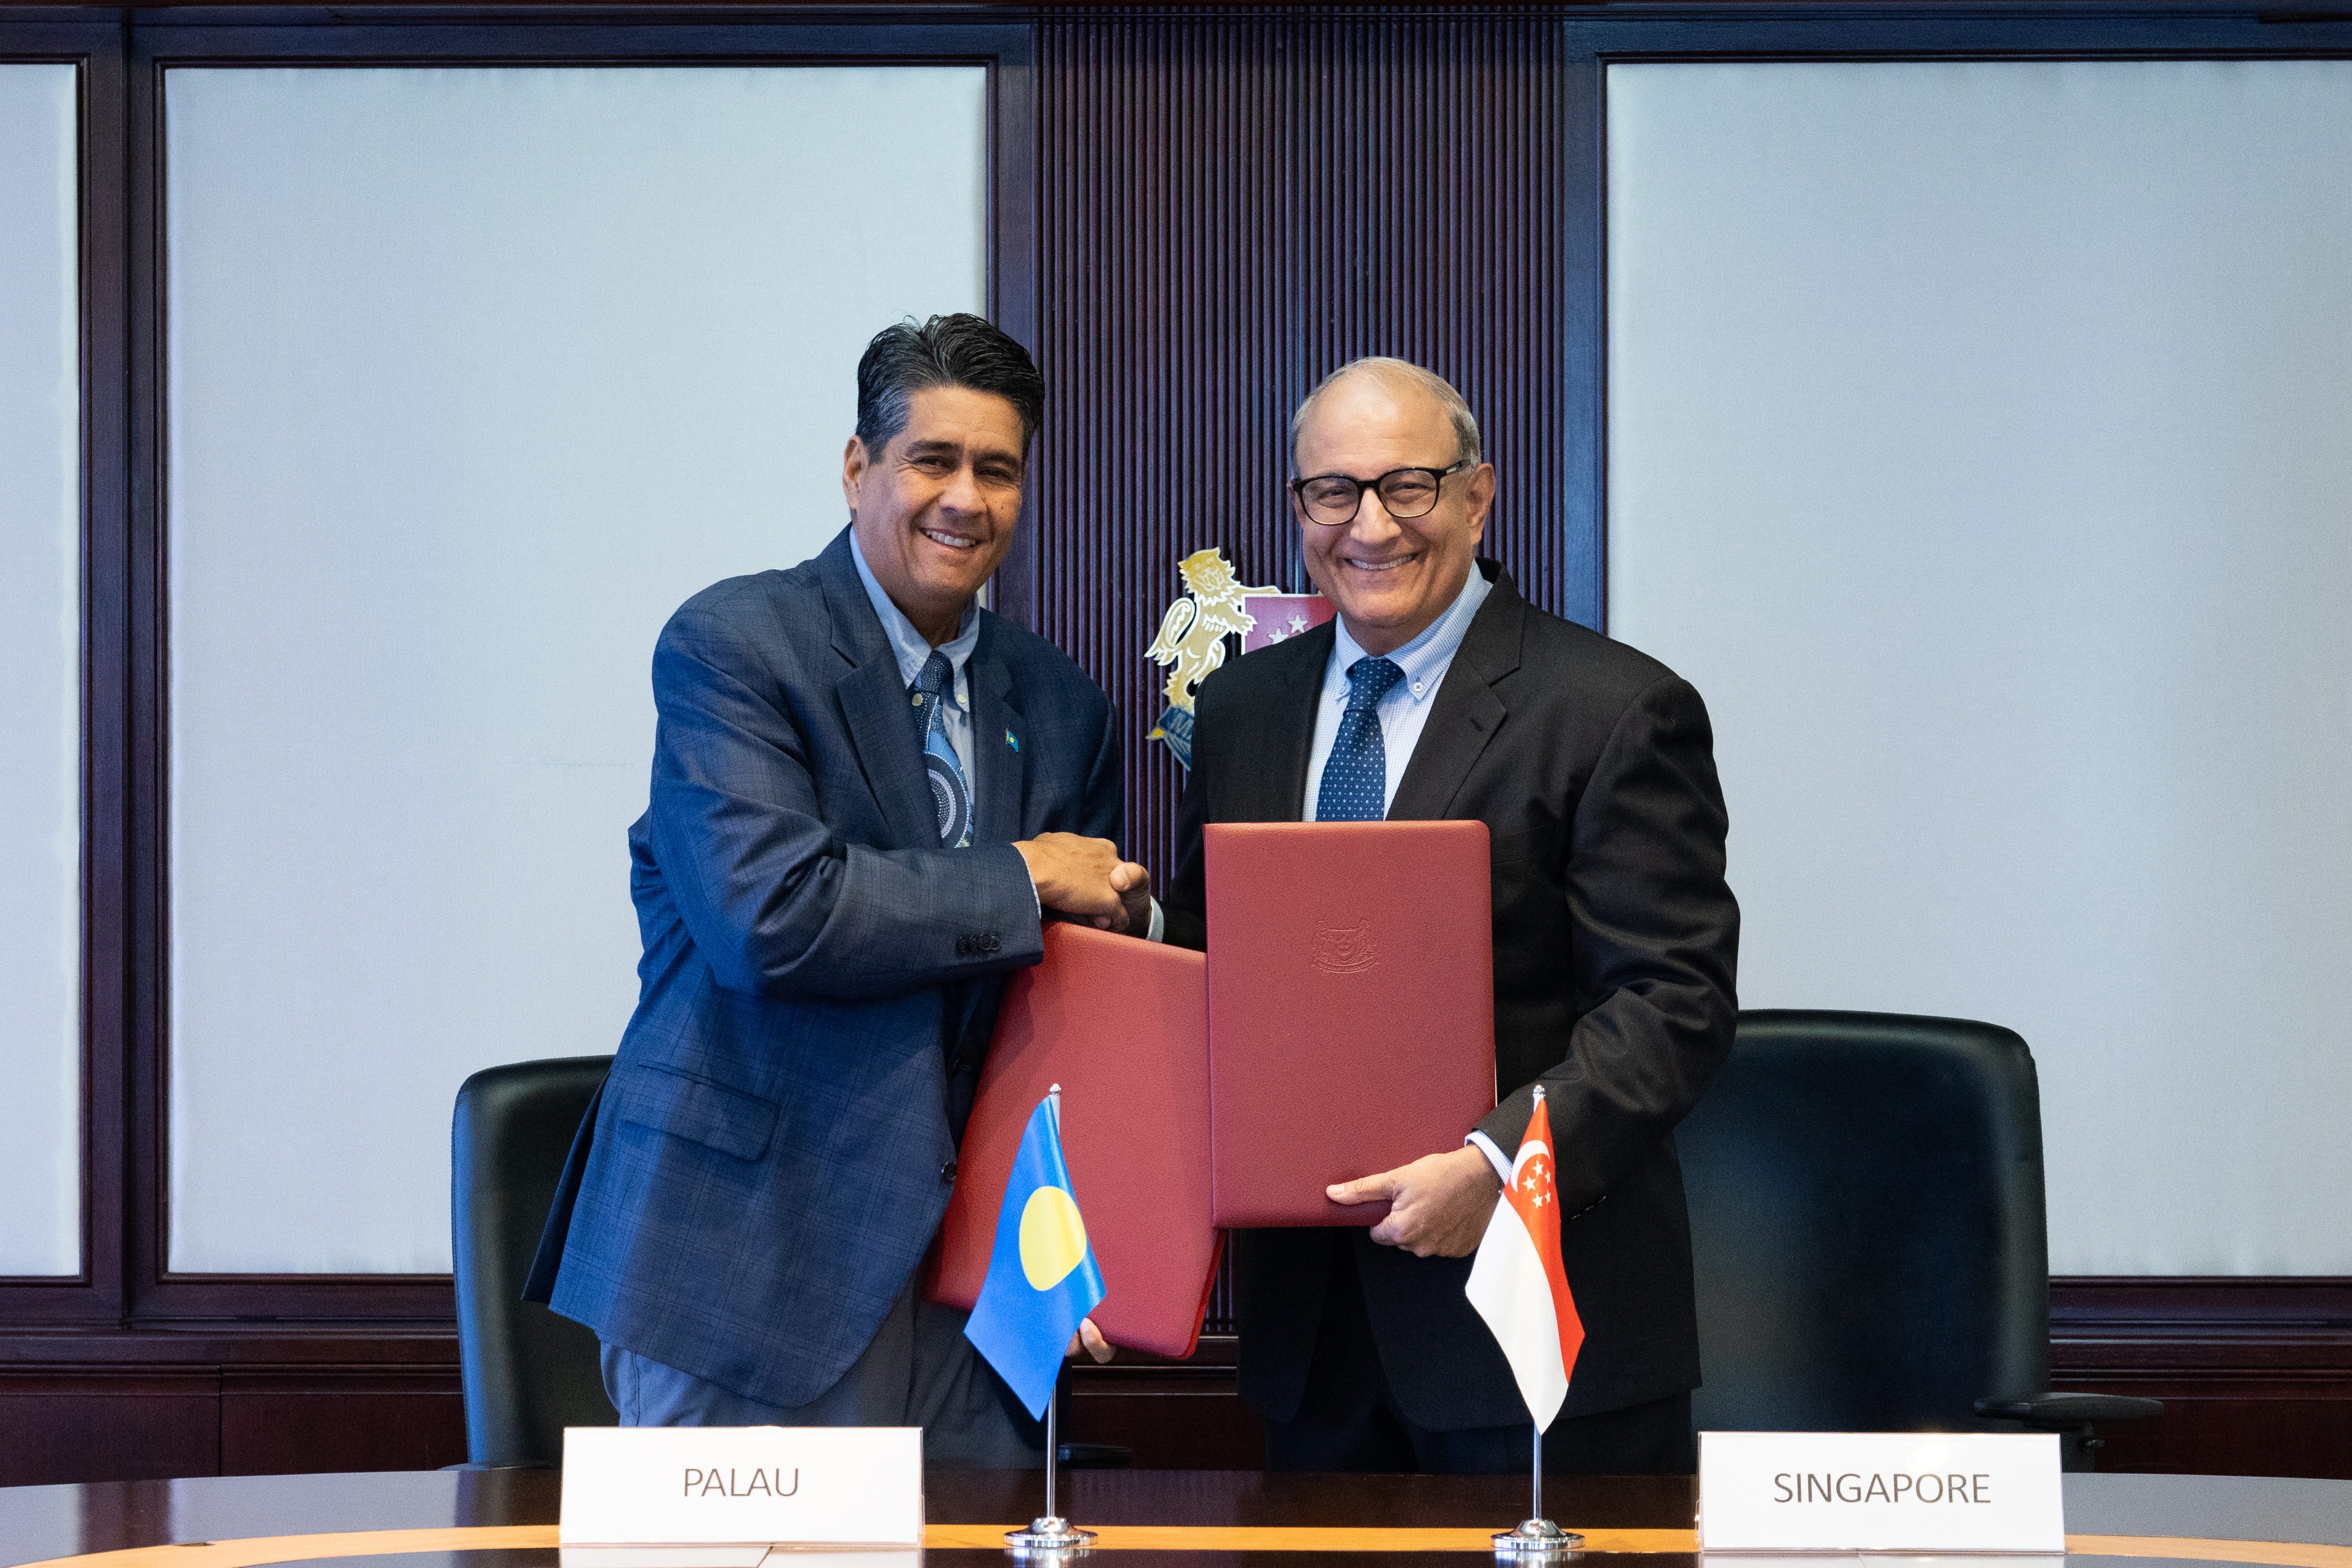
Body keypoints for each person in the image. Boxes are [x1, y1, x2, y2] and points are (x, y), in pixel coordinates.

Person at [528, 314, 1145, 1463]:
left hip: (982, 1299)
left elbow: (1077, 997)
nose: (964, 496)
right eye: (932, 459)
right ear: (858, 466)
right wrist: (1022, 875)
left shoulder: (1061, 705)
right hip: (749, 1266)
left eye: (997, 469)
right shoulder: (736, 645)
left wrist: (1099, 1227)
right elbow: (772, 916)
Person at [1161, 358, 1739, 1474]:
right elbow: (1204, 980)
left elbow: (1672, 1006)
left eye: (1406, 487)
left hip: (1536, 1332)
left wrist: (1494, 1162)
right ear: (1298, 510)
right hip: (1310, 1348)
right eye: (1331, 491)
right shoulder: (1239, 711)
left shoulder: (1613, 709)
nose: (1367, 524)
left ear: (1477, 496)